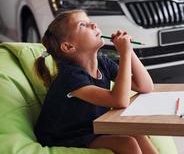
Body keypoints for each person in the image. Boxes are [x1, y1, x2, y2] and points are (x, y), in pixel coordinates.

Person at [34, 9, 158, 154]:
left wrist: (130, 51)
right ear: (68, 47)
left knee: (136, 132)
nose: (93, 24)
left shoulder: (102, 62)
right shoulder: (70, 76)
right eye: (82, 25)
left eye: (89, 21)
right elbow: (119, 100)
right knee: (127, 143)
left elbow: (145, 86)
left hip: (95, 126)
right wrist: (123, 53)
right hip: (66, 136)